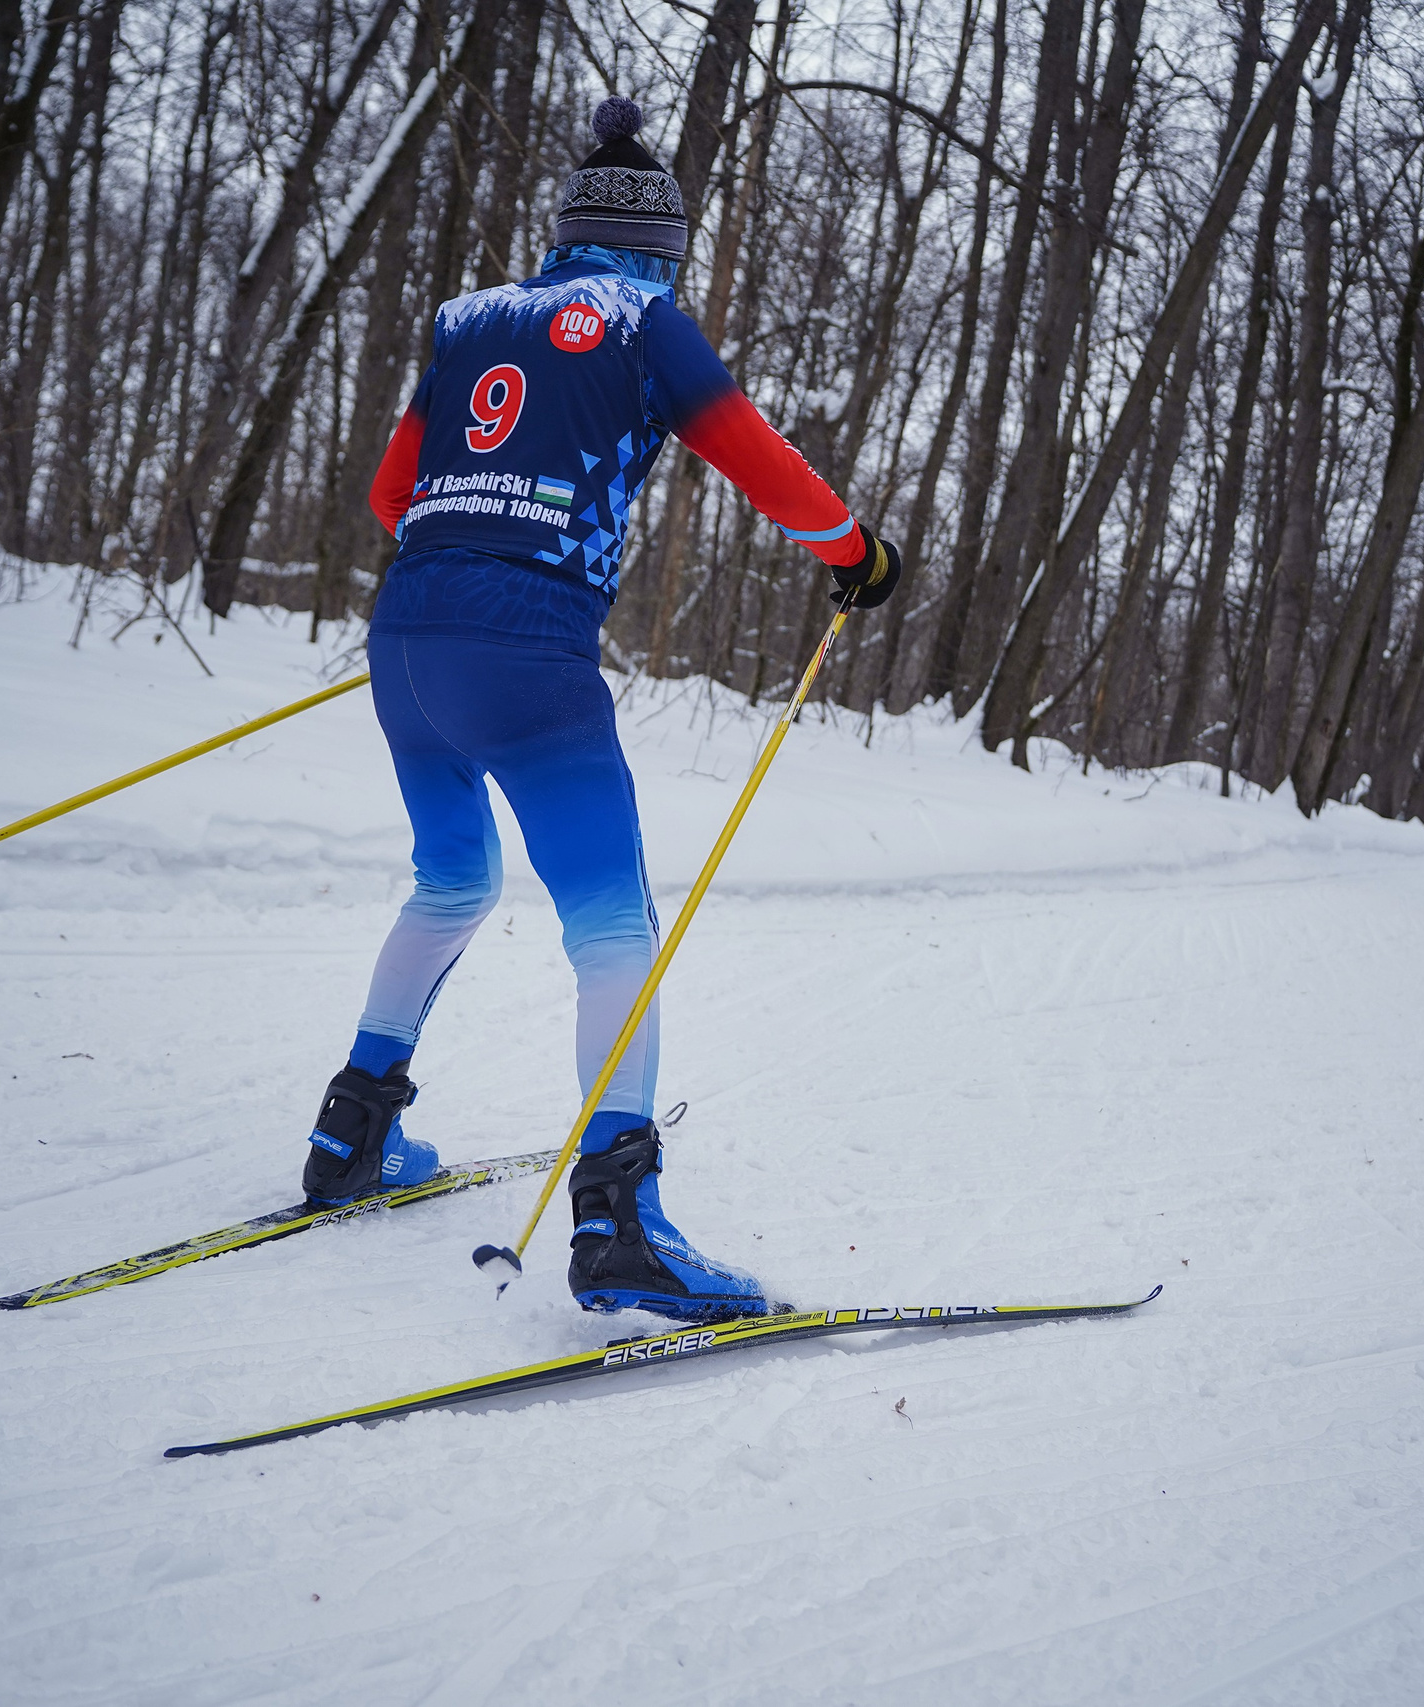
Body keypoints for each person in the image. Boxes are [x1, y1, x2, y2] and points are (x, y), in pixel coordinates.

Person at [296, 98, 901, 1323]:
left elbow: (389, 491)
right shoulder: (644, 321)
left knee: (452, 882)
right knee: (614, 931)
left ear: (564, 233)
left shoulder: (467, 319)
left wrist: (461, 571)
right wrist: (856, 552)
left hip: (407, 635)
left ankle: (348, 1137)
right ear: (660, 249)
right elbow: (753, 454)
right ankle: (621, 1223)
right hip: (527, 655)